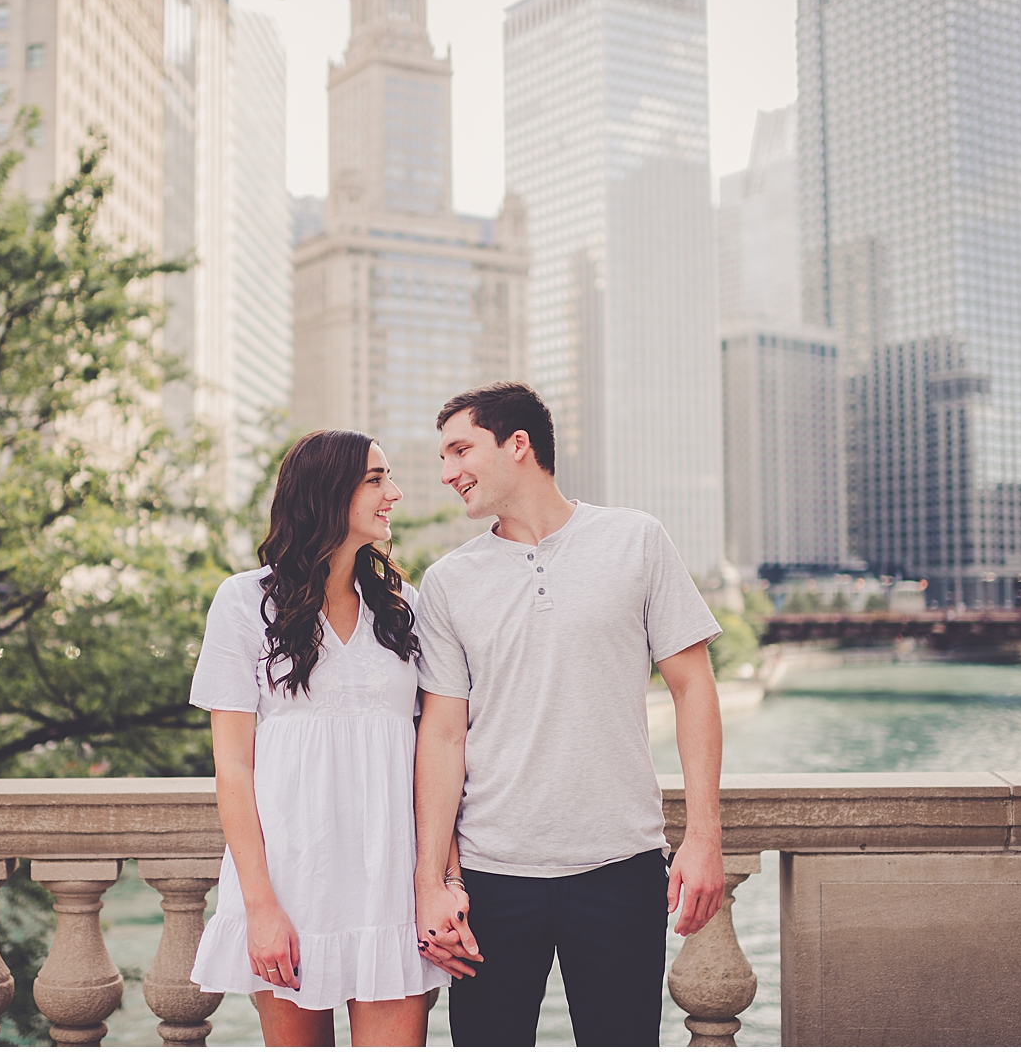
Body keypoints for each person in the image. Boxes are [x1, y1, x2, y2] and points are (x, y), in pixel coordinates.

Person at [412, 383, 724, 1050]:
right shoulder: (446, 583)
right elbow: (441, 736)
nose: (447, 473)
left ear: (517, 445)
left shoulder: (636, 540)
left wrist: (703, 837)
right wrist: (432, 881)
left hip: (621, 867)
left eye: (461, 449)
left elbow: (694, 688)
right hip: (492, 880)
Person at [189, 431, 449, 1047]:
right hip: (291, 883)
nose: (396, 493)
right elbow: (232, 768)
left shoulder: (403, 607)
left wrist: (440, 882)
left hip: (389, 883)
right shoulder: (244, 601)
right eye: (376, 480)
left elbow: (434, 754)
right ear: (328, 492)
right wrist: (261, 908)